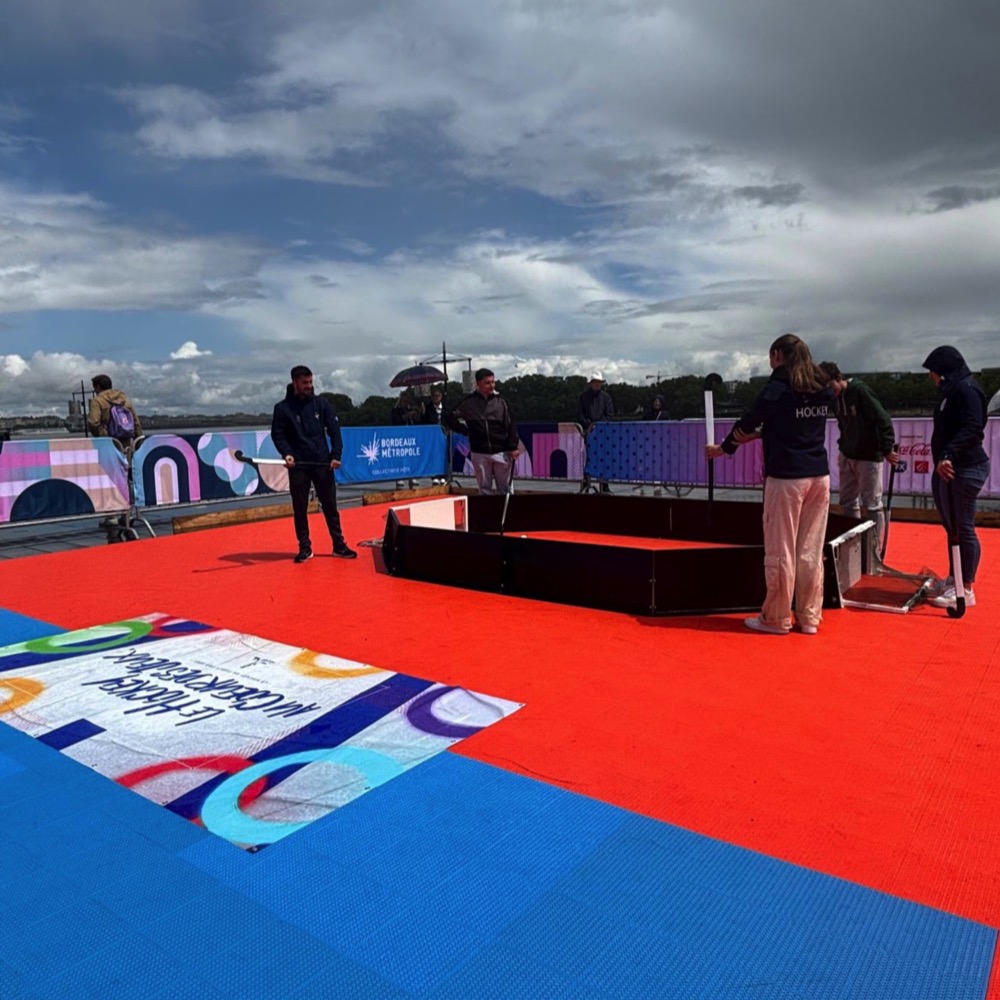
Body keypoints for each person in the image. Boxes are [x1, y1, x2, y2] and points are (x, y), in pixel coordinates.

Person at [705, 334, 833, 635]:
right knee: (811, 550)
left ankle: (776, 617)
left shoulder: (778, 388)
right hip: (819, 475)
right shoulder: (819, 386)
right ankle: (810, 616)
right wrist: (764, 433)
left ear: (778, 355)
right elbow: (793, 424)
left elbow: (749, 420)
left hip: (787, 476)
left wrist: (724, 448)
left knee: (781, 549)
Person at [922, 346, 989, 609]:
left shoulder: (967, 390)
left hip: (965, 467)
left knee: (963, 528)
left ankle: (967, 587)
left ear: (945, 370)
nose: (931, 377)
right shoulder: (950, 392)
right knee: (952, 528)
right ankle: (955, 578)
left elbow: (974, 427)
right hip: (948, 467)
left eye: (933, 371)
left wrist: (949, 452)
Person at [271, 365, 357, 563]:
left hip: (322, 463)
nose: (309, 386)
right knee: (300, 508)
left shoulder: (322, 404)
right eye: (305, 383)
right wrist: (287, 453)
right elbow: (278, 435)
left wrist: (336, 454)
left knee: (330, 506)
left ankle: (338, 545)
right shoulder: (282, 409)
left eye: (311, 382)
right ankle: (305, 547)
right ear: (295, 383)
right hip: (298, 465)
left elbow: (334, 430)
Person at [818, 362, 898, 539]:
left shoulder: (860, 391)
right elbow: (842, 423)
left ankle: (874, 546)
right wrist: (844, 444)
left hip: (868, 456)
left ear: (839, 378)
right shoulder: (835, 399)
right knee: (847, 501)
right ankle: (853, 542)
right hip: (848, 453)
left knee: (872, 504)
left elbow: (882, 419)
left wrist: (886, 448)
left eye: (830, 386)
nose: (830, 392)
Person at [442, 368, 519, 494]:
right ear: (478, 384)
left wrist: (513, 446)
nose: (491, 385)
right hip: (480, 452)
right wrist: (465, 431)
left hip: (501, 451)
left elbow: (511, 425)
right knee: (484, 489)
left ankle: (507, 513)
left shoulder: (501, 401)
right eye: (487, 383)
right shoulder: (469, 402)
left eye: (493, 382)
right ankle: (487, 513)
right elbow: (449, 417)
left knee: (505, 489)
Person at [577, 371, 614, 492]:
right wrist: (589, 425)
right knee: (586, 459)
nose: (597, 384)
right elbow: (580, 414)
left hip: (603, 433)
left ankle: (604, 485)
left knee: (604, 458)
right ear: (591, 383)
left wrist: (597, 425)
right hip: (588, 433)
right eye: (595, 382)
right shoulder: (583, 397)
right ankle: (586, 483)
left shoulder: (606, 397)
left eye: (599, 382)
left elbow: (609, 415)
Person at [87, 374, 142, 445]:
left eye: (94, 388)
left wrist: (104, 436)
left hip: (107, 444)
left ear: (98, 387)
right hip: (126, 443)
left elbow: (93, 422)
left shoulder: (97, 401)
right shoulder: (124, 400)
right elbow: (136, 424)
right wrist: (138, 445)